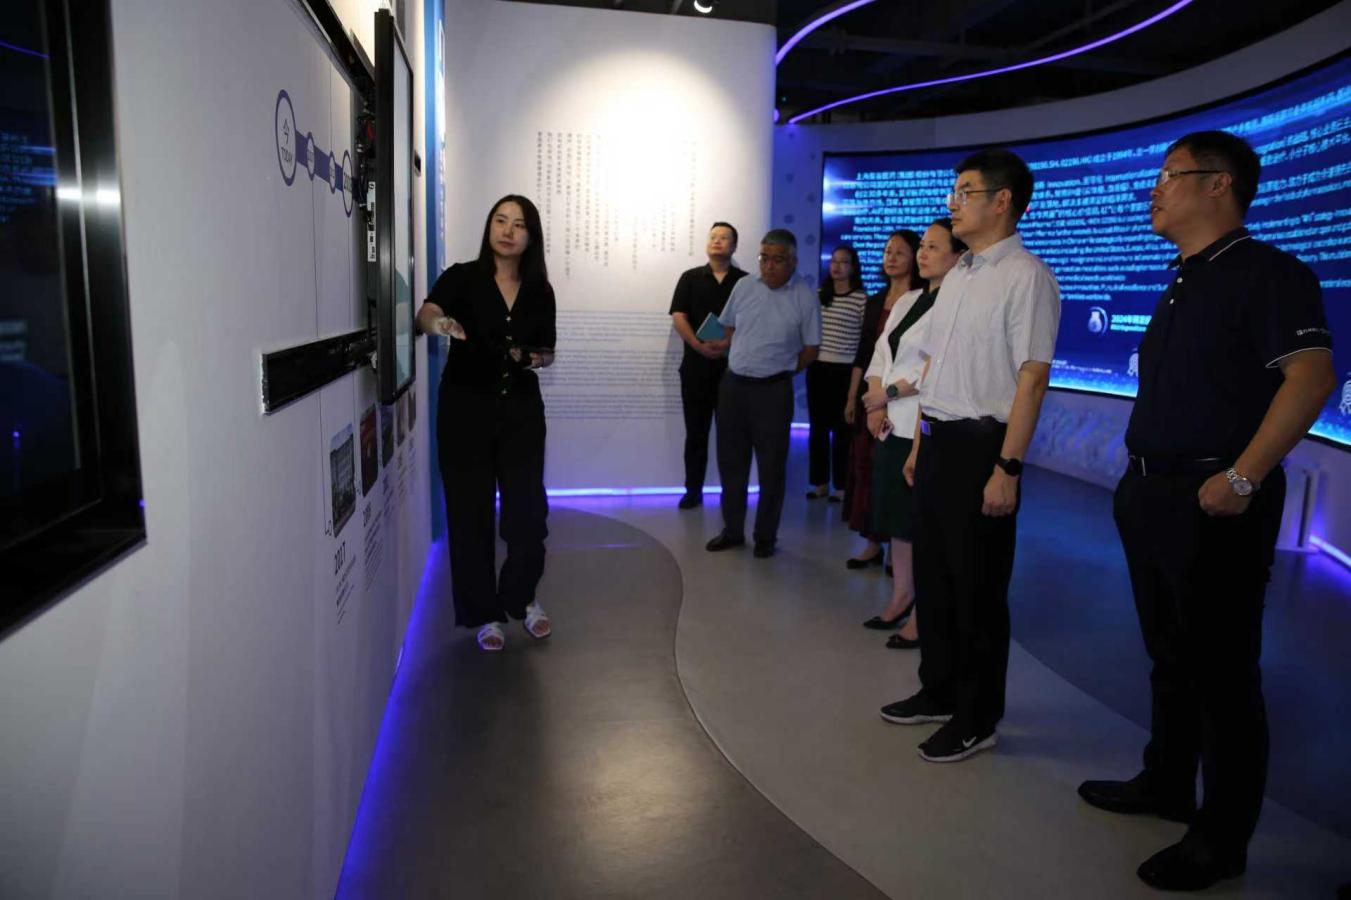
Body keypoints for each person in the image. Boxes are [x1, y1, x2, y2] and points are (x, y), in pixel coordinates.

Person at [1077, 131, 1336, 892]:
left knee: (1224, 674)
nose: (1154, 190)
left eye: (1169, 175)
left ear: (1219, 184)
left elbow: (1311, 378)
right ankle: (1166, 781)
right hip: (1151, 493)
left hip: (1215, 502)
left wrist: (1243, 478)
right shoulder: (1183, 278)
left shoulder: (1269, 273)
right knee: (1169, 655)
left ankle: (1221, 840)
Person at [878, 149, 1060, 765]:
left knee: (978, 588)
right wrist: (920, 443)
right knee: (936, 578)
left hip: (985, 446)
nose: (953, 203)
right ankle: (938, 691)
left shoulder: (1027, 277)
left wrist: (1007, 468)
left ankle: (977, 717)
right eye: (953, 191)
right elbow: (935, 366)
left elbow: (1031, 378)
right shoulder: (959, 275)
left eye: (965, 192)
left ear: (1002, 201)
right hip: (938, 442)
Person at [417, 195, 557, 652]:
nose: (507, 230)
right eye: (500, 220)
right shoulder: (462, 276)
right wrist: (441, 325)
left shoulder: (540, 290)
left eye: (518, 224)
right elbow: (426, 313)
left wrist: (531, 357)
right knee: (469, 513)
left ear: (531, 236)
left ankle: (520, 596)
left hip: (521, 414)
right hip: (465, 412)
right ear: (489, 226)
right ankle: (484, 613)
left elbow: (548, 352)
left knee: (528, 514)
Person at [860, 218, 966, 650]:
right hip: (890, 423)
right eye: (922, 245)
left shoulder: (956, 305)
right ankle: (901, 594)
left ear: (958, 257)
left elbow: (933, 369)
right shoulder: (909, 299)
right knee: (896, 521)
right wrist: (876, 401)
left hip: (922, 425)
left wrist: (885, 394)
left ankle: (925, 613)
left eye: (934, 247)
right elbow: (880, 353)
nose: (922, 253)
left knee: (921, 524)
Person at [705, 229, 821, 559]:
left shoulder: (805, 296)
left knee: (771, 469)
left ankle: (765, 536)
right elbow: (729, 326)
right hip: (733, 387)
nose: (768, 266)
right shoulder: (744, 286)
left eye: (777, 260)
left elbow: (811, 348)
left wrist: (783, 369)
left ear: (793, 262)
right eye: (764, 258)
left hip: (773, 392)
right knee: (731, 464)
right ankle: (732, 530)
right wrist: (720, 344)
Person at [843, 230, 921, 570]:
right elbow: (865, 354)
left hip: (904, 404)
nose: (891, 258)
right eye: (888, 251)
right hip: (872, 399)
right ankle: (873, 542)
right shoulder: (875, 301)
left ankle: (897, 552)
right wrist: (854, 397)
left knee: (896, 476)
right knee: (867, 468)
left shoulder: (923, 301)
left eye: (900, 252)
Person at [669, 223, 748, 509]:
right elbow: (679, 316)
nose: (717, 241)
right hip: (695, 368)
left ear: (734, 246)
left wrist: (726, 343)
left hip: (733, 370)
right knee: (696, 433)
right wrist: (698, 345)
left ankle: (732, 491)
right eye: (713, 236)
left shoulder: (745, 282)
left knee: (732, 436)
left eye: (724, 238)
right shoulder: (690, 277)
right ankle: (693, 491)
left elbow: (750, 320)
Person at [805, 245, 867, 501]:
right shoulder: (819, 296)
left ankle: (841, 486)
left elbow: (864, 341)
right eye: (834, 261)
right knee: (818, 429)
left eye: (844, 262)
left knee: (843, 431)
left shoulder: (861, 299)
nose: (837, 266)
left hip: (845, 371)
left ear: (853, 267)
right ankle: (819, 483)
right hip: (818, 369)